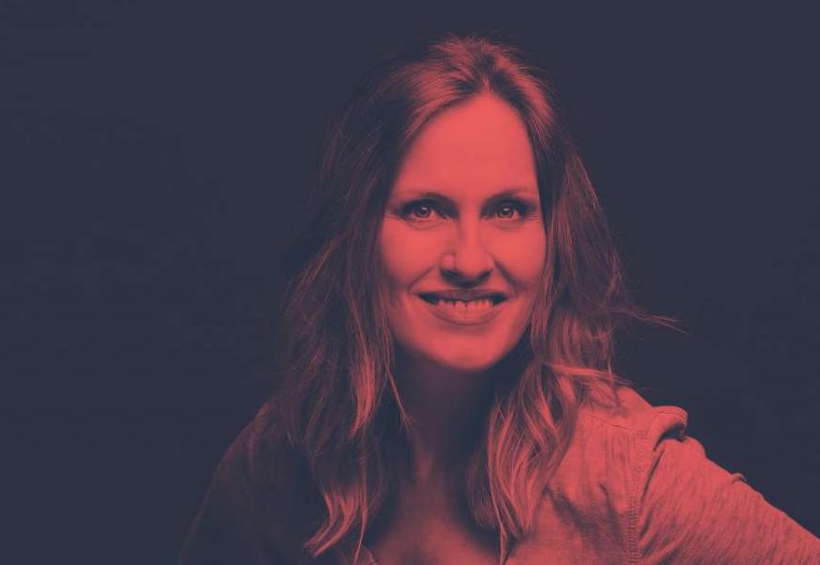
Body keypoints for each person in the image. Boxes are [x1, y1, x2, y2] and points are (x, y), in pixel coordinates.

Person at [178, 33, 820, 564]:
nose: (469, 261)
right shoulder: (279, 461)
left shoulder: (627, 482)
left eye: (507, 210)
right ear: (356, 233)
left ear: (551, 237)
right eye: (425, 209)